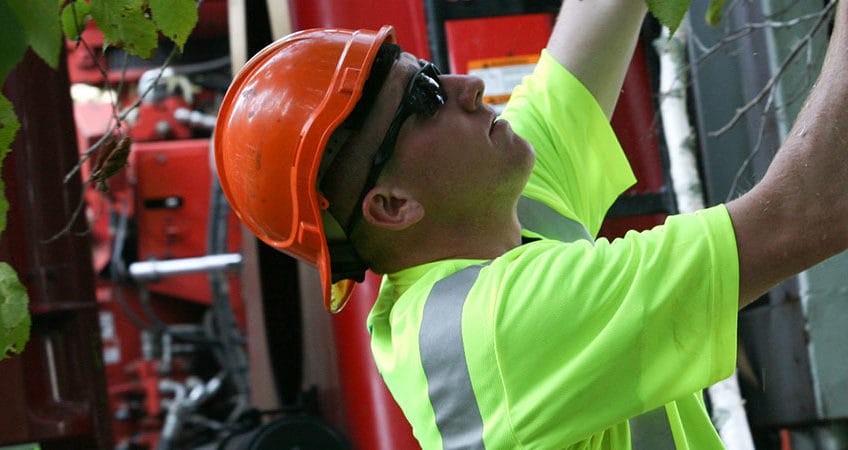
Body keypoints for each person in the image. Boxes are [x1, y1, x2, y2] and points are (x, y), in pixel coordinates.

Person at [213, 0, 848, 448]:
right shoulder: (490, 330)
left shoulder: (485, 219)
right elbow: (813, 205)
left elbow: (601, 11)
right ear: (392, 205)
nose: (466, 86)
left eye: (431, 71)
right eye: (426, 99)